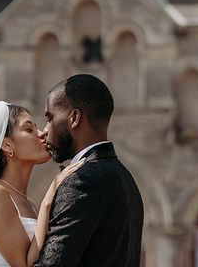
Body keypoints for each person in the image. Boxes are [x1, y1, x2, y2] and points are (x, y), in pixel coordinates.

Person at [0, 101, 82, 267]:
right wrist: (49, 199)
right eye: (29, 129)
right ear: (6, 144)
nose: (42, 133)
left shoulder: (30, 204)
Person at [35, 74, 144, 267]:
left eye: (50, 118)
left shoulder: (82, 181)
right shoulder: (126, 178)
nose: (45, 131)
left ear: (74, 118)